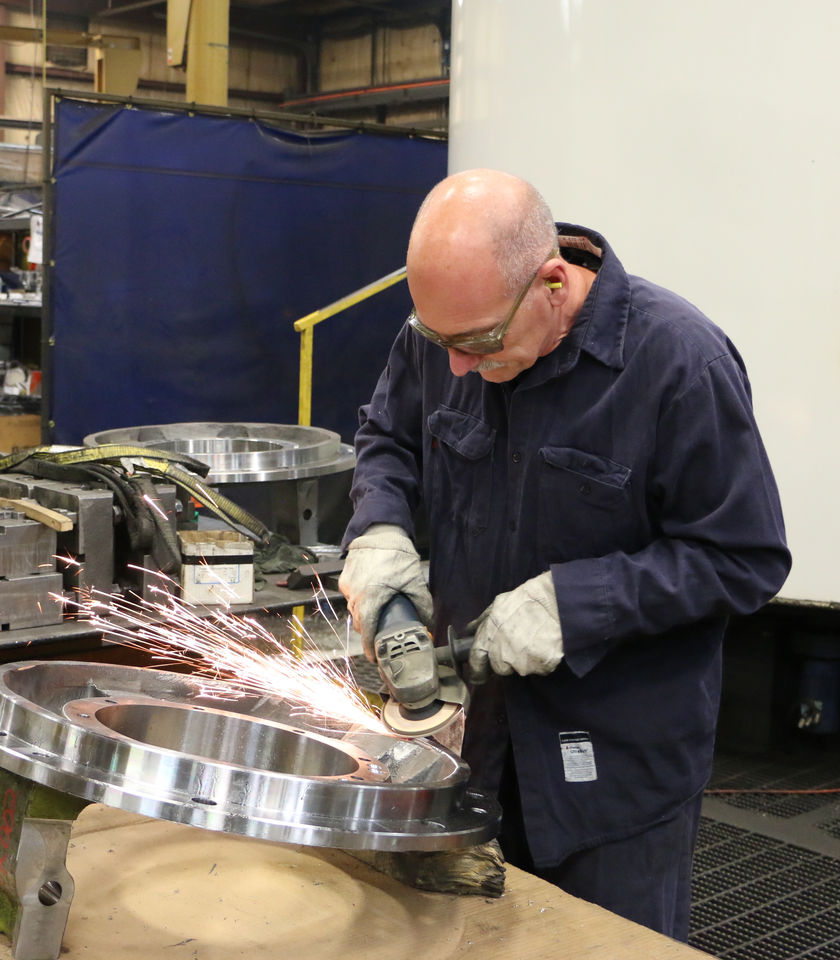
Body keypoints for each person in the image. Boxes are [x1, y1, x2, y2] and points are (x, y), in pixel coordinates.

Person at [338, 169, 791, 940]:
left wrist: (574, 607)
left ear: (553, 283)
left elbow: (743, 558)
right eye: (439, 341)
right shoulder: (445, 330)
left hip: (613, 778)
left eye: (479, 344)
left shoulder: (678, 363)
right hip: (474, 748)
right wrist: (380, 531)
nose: (455, 367)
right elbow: (389, 440)